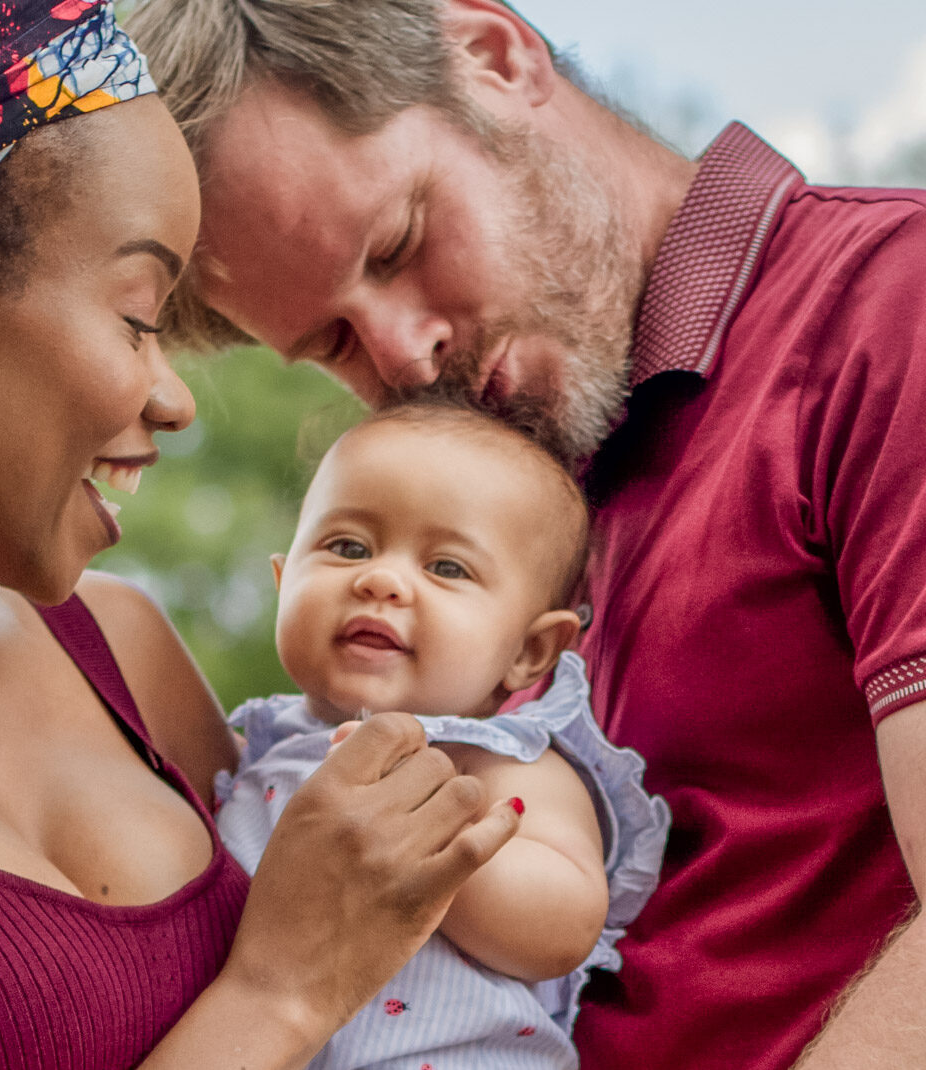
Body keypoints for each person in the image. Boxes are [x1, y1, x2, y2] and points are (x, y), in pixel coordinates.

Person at [127, 2, 926, 1068]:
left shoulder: (885, 303)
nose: (407, 358)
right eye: (331, 341)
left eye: (400, 242)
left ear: (494, 57)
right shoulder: (517, 473)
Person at [0, 4, 525, 1068]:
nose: (174, 398)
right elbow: (307, 971)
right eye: (140, 315)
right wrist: (277, 995)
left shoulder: (123, 648)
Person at [215, 398, 670, 1070]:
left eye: (447, 567)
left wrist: (429, 842)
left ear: (531, 651)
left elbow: (564, 926)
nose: (381, 580)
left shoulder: (502, 762)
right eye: (347, 547)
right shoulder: (259, 750)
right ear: (284, 583)